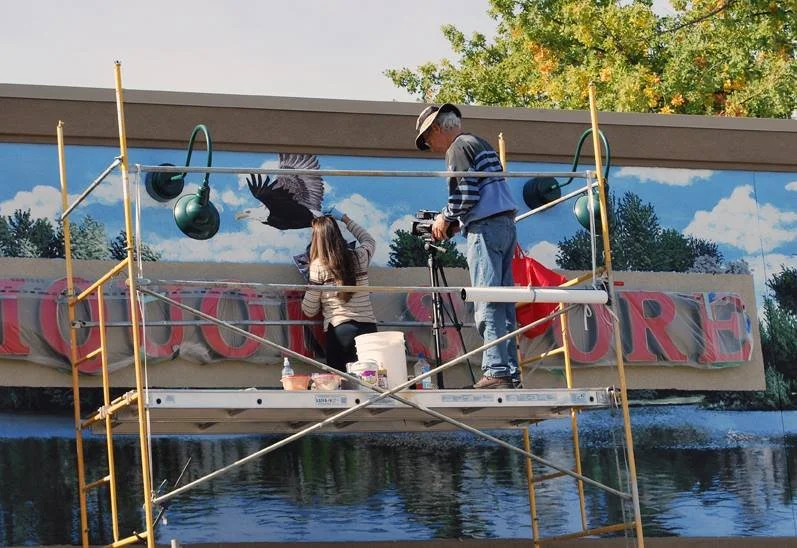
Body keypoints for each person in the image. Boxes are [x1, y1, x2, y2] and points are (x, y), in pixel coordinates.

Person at [415, 103, 519, 389]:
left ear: (436, 128)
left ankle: (496, 371)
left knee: (486, 300)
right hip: (504, 225)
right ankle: (509, 372)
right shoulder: (479, 143)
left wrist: (444, 218)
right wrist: (458, 223)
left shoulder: (457, 148)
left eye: (427, 139)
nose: (431, 146)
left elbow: (465, 193)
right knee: (504, 303)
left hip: (485, 230)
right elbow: (485, 193)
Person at [301, 208, 377, 371]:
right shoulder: (360, 257)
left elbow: (309, 309)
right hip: (368, 331)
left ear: (317, 240)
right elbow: (369, 240)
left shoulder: (318, 266)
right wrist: (345, 218)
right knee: (371, 383)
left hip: (340, 332)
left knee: (342, 387)